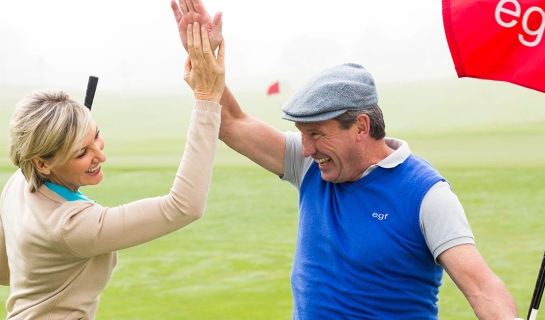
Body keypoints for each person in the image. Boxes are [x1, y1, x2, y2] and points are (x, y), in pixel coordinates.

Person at [171, 1, 521, 319]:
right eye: (302, 134)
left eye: (317, 134)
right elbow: (231, 122)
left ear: (361, 127)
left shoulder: (427, 194)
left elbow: (482, 288)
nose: (305, 149)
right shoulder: (312, 165)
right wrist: (205, 56)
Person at [0, 23, 225, 319]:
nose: (101, 155)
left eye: (96, 136)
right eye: (82, 152)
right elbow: (183, 206)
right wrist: (207, 99)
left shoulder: (17, 184)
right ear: (42, 162)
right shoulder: (73, 226)